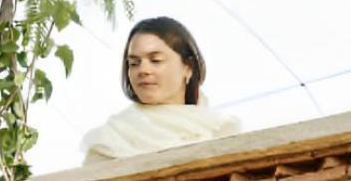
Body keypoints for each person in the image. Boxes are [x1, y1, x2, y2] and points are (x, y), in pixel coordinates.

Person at [81, 17, 240, 163]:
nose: (143, 70)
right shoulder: (111, 139)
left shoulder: (220, 131)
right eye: (134, 63)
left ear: (188, 67)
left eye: (155, 60)